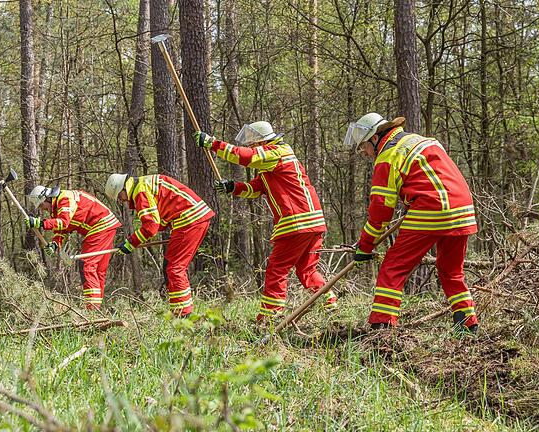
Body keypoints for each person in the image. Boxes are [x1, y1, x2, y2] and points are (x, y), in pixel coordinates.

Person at [343, 113, 479, 332]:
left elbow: (380, 211)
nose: (365, 153)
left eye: (364, 147)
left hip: (433, 207)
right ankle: (467, 324)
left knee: (393, 267)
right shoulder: (422, 140)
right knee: (450, 270)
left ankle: (382, 326)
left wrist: (365, 246)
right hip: (462, 208)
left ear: (375, 139)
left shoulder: (388, 156)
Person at [194, 121, 337, 323]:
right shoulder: (274, 162)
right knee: (307, 270)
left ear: (262, 142)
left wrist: (213, 144)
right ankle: (329, 303)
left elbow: (246, 157)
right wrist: (233, 187)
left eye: (253, 145)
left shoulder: (276, 152)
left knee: (277, 269)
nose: (252, 149)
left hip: (297, 222)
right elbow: (257, 188)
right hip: (313, 222)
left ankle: (270, 317)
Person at [104, 173, 214, 317]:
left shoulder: (140, 191)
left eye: (119, 197)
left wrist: (130, 243)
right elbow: (160, 219)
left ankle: (184, 315)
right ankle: (179, 312)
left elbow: (151, 226)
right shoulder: (142, 185)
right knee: (170, 266)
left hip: (189, 220)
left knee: (174, 268)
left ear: (123, 189)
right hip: (191, 219)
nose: (121, 200)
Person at [25, 186, 121, 310]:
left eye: (41, 205)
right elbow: (62, 228)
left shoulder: (64, 199)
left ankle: (92, 310)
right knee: (98, 271)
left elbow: (64, 222)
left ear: (46, 198)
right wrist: (55, 243)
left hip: (100, 225)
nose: (42, 209)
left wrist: (41, 223)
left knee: (87, 265)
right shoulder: (56, 207)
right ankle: (97, 309)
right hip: (105, 225)